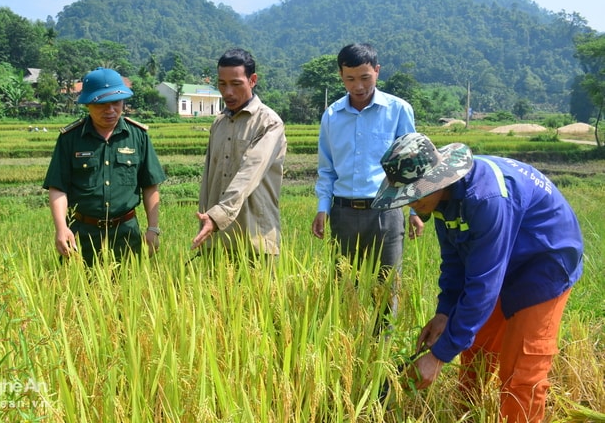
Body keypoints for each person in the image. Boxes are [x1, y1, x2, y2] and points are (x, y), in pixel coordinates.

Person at [372, 133, 583, 423]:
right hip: (499, 259)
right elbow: (455, 262)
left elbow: (484, 284)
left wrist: (438, 357)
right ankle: (468, 416)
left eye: (415, 194)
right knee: (476, 351)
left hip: (543, 261)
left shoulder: (485, 199)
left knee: (522, 370)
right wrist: (445, 313)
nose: (412, 204)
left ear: (436, 178)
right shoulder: (442, 200)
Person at [311, 43, 423, 276]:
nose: (358, 86)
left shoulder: (399, 110)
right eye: (350, 79)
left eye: (365, 77)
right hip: (343, 214)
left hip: (386, 213)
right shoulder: (331, 115)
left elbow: (411, 166)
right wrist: (323, 208)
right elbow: (327, 169)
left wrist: (415, 211)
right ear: (341, 75)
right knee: (344, 292)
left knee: (386, 292)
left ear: (377, 71)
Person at [43, 67, 166, 266]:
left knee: (129, 294)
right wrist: (61, 228)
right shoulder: (70, 138)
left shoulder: (138, 136)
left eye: (116, 103)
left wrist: (153, 229)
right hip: (82, 235)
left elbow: (150, 185)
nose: (110, 110)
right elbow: (58, 187)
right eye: (102, 104)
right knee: (78, 294)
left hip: (127, 235)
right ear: (89, 104)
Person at [191, 48, 287, 262]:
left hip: (256, 240)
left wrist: (217, 216)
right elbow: (208, 180)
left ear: (252, 80)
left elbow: (250, 172)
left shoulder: (269, 123)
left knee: (261, 296)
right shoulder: (218, 123)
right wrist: (207, 224)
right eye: (222, 84)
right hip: (217, 240)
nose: (228, 92)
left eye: (236, 84)